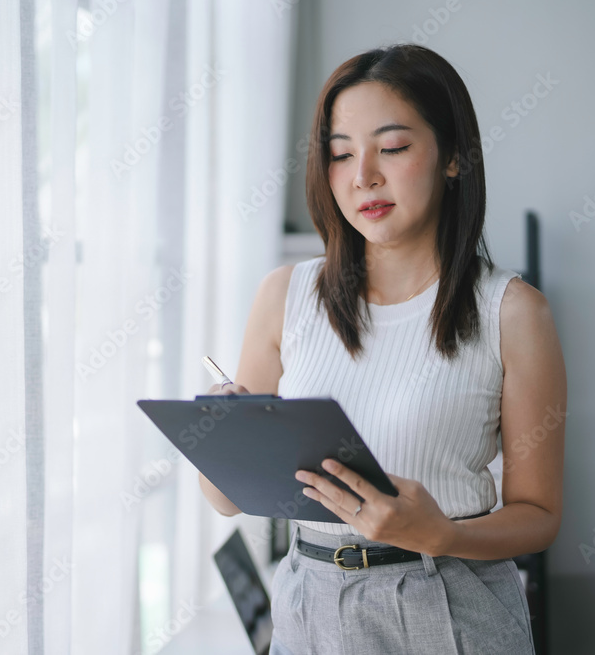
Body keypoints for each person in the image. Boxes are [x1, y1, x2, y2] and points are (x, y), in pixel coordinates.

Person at [198, 43, 566, 654]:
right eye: (341, 154)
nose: (364, 175)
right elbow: (227, 501)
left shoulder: (513, 312)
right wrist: (220, 432)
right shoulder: (284, 295)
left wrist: (441, 533)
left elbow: (540, 514)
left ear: (452, 157)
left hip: (448, 602)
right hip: (308, 604)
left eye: (392, 148)